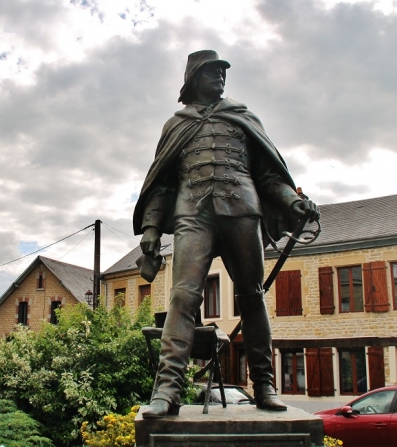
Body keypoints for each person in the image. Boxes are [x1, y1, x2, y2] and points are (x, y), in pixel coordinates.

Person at [134, 50, 319, 418]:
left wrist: (292, 202)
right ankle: (167, 389)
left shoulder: (242, 116)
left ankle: (264, 386)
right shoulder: (176, 124)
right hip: (193, 214)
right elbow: (163, 185)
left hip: (242, 211)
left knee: (252, 296)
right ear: (193, 79)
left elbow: (269, 175)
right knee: (183, 297)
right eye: (212, 71)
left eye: (223, 71)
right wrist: (152, 229)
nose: (220, 76)